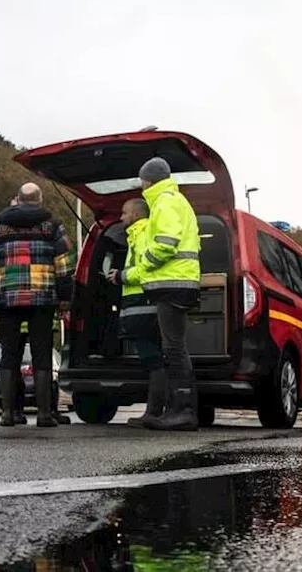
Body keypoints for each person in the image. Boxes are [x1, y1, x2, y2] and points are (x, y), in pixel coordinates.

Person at [0, 182, 75, 427]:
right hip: (42, 299)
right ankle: (43, 415)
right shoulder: (52, 227)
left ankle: (8, 415)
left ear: (18, 199)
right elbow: (65, 268)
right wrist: (64, 300)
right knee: (41, 356)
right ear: (39, 201)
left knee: (9, 357)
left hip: (6, 300)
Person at [124, 158, 202, 431]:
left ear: (148, 180)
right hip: (180, 281)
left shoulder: (165, 201)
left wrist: (144, 262)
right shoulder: (174, 199)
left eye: (142, 180)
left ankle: (182, 410)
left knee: (173, 348)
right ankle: (181, 408)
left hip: (173, 281)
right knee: (175, 346)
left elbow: (166, 243)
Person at [105, 197, 165, 428]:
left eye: (124, 213)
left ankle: (154, 412)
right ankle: (158, 410)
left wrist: (120, 276)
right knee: (155, 359)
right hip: (144, 306)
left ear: (137, 215)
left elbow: (145, 270)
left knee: (153, 360)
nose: (121, 218)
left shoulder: (141, 235)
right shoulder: (138, 235)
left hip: (143, 307)